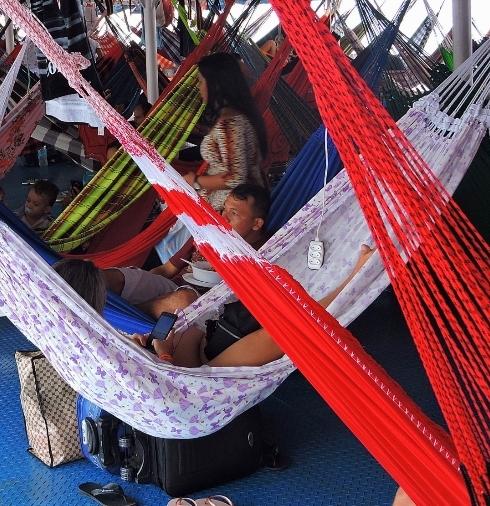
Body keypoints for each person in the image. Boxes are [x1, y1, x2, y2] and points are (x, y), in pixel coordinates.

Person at [57, 245, 373, 369]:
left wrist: (146, 344)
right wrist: (165, 350)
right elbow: (175, 381)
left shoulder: (77, 337)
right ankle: (354, 281)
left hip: (199, 347)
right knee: (284, 332)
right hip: (200, 378)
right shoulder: (93, 347)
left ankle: (351, 282)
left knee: (273, 318)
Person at [102, 184, 271, 319]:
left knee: (183, 300)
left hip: (203, 306)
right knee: (112, 278)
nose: (223, 217)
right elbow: (166, 270)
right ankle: (117, 313)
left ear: (257, 224)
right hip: (173, 287)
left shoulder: (267, 253)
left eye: (233, 213)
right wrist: (144, 282)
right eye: (224, 209)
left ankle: (123, 316)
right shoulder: (208, 232)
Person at [182, 54, 268, 212]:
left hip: (231, 211)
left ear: (215, 85)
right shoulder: (239, 116)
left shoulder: (229, 123)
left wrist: (195, 181)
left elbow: (235, 177)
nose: (199, 88)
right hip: (237, 205)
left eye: (201, 82)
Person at [0, 179, 60, 320]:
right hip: (15, 258)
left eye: (36, 204)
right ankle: (5, 300)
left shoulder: (52, 226)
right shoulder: (14, 218)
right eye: (28, 201)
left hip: (37, 262)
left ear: (47, 209)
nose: (29, 205)